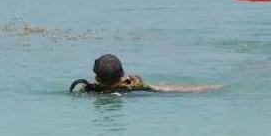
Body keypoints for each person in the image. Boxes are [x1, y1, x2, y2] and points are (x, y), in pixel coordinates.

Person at [69, 54, 222, 94]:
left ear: (96, 75)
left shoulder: (88, 90)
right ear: (122, 73)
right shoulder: (135, 87)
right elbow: (177, 90)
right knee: (165, 87)